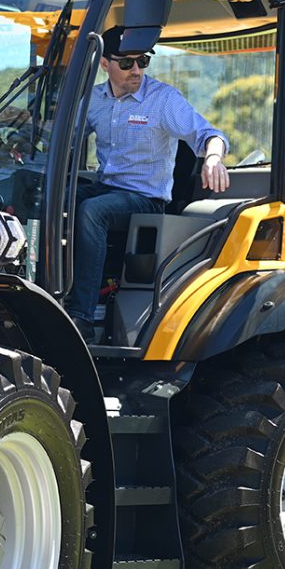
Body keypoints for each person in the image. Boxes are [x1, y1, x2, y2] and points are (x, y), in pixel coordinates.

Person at [66, 26, 229, 342]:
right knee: (50, 198)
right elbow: (67, 139)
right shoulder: (95, 100)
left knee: (91, 211)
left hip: (144, 197)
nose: (136, 70)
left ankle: (82, 317)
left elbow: (209, 134)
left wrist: (212, 158)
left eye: (143, 61)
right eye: (126, 64)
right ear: (105, 64)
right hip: (106, 187)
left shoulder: (163, 99)